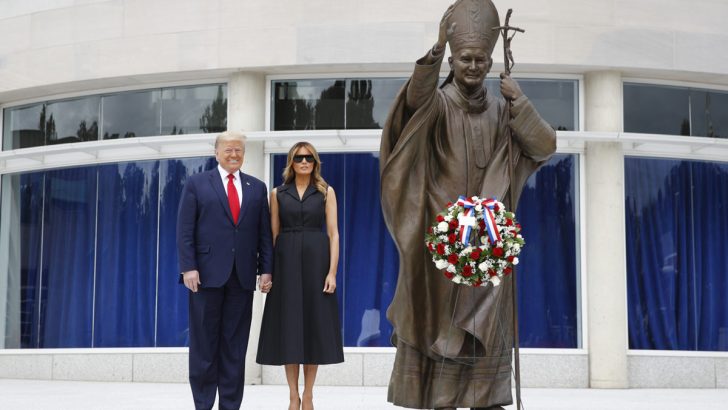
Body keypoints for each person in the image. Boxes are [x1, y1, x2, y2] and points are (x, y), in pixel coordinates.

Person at [379, 1, 557, 409]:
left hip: (488, 243)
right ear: (453, 61)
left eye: (480, 59)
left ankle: (486, 399)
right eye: (465, 59)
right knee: (440, 331)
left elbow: (544, 145)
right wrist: (436, 50)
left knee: (487, 338)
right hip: (441, 245)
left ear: (491, 62)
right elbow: (412, 103)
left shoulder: (501, 110)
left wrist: (520, 102)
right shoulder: (437, 105)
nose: (473, 66)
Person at [177, 131, 274, 410]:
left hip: (242, 278)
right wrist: (188, 267)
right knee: (204, 346)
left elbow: (264, 233)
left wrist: (266, 270)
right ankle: (203, 404)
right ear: (217, 152)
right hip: (204, 277)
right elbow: (185, 231)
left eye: (239, 151)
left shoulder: (257, 187)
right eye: (228, 150)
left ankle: (230, 405)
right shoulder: (197, 183)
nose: (234, 155)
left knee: (234, 347)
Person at [256, 141, 344, 410]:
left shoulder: (326, 192)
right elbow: (272, 234)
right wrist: (267, 272)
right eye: (298, 158)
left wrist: (332, 272)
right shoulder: (277, 193)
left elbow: (333, 234)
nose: (304, 162)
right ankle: (293, 395)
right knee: (289, 329)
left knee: (313, 328)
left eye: (309, 158)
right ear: (291, 162)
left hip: (317, 262)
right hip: (285, 264)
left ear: (315, 162)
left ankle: (309, 394)